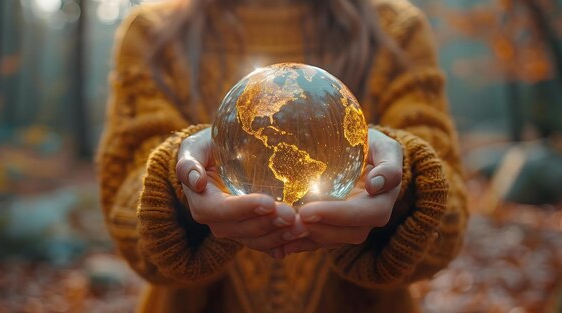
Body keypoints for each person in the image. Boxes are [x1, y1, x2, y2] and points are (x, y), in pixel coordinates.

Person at [97, 0, 468, 312]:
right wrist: (177, 182)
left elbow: (447, 225)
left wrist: (403, 183)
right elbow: (128, 217)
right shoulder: (154, 35)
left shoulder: (396, 32)